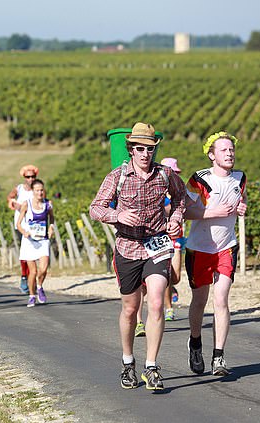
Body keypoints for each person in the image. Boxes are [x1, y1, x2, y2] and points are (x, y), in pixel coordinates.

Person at [89, 122, 185, 390]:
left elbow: (180, 198)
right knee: (131, 309)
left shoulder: (165, 175)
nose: (145, 154)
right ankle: (128, 362)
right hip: (127, 247)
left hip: (157, 244)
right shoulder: (117, 176)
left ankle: (152, 366)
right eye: (140, 148)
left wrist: (175, 219)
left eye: (150, 149)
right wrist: (116, 215)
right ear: (131, 149)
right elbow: (95, 208)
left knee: (156, 302)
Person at [184, 131, 247, 377]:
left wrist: (242, 207)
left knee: (221, 300)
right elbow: (185, 211)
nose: (229, 153)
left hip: (226, 247)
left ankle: (218, 357)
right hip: (200, 248)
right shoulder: (199, 179)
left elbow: (242, 202)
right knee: (200, 301)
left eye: (231, 149)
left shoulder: (240, 178)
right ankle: (195, 342)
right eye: (223, 150)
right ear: (212, 155)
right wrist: (212, 212)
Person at [17, 179, 55, 307]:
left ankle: (39, 286)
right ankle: (32, 295)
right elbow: (18, 223)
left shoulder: (48, 204)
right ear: (33, 191)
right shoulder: (26, 204)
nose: (40, 193)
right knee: (32, 272)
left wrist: (51, 227)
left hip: (43, 240)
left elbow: (52, 218)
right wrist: (24, 231)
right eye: (37, 190)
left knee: (43, 269)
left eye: (42, 190)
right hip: (29, 242)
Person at [161, 157, 185, 321]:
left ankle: (171, 290)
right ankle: (168, 308)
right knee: (167, 276)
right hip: (161, 240)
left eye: (177, 173)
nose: (175, 177)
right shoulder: (159, 193)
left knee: (176, 277)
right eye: (173, 173)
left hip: (178, 237)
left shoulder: (178, 193)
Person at [7, 165, 38, 294]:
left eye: (32, 176)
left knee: (35, 253)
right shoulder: (19, 189)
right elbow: (9, 198)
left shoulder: (38, 189)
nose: (30, 179)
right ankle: (24, 276)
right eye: (28, 177)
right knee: (25, 252)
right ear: (24, 177)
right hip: (21, 225)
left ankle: (33, 278)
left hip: (34, 225)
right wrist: (15, 204)